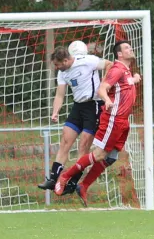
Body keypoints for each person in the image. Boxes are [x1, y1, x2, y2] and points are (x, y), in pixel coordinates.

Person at [54, 40, 141, 205]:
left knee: (112, 157)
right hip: (114, 118)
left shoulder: (126, 71)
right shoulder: (117, 68)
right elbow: (102, 89)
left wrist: (135, 79)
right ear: (120, 54)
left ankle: (83, 186)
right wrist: (107, 100)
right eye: (127, 48)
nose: (131, 49)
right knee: (99, 154)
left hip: (124, 120)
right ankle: (65, 177)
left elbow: (125, 84)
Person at [38, 42, 112, 196]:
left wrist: (104, 85)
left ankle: (72, 182)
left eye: (58, 65)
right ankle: (53, 179)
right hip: (78, 107)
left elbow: (109, 64)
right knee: (65, 140)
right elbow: (60, 94)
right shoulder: (62, 72)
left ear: (65, 61)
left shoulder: (87, 61)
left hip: (94, 106)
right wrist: (55, 112)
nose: (57, 68)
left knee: (83, 145)